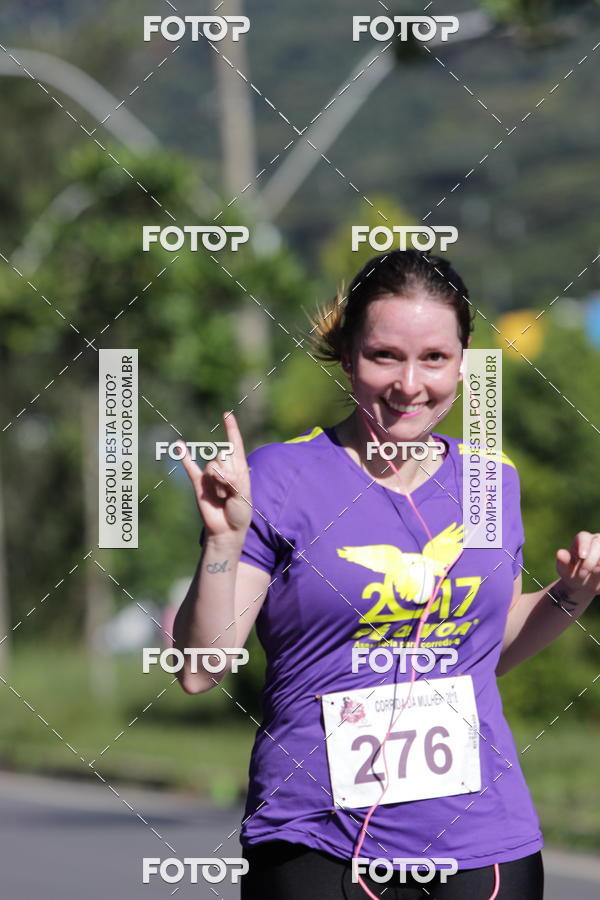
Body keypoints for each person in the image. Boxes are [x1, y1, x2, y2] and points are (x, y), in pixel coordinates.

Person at [173, 250, 600, 899]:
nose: (408, 385)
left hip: (482, 843)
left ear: (463, 362)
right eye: (384, 356)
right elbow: (201, 668)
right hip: (317, 840)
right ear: (347, 356)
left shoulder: (491, 481)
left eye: (433, 358)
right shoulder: (282, 479)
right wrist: (222, 540)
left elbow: (488, 650)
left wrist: (572, 593)